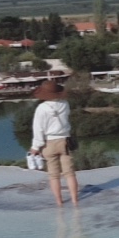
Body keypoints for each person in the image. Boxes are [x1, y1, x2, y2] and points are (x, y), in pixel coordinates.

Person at [30, 79, 79, 207]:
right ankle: (74, 200)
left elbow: (38, 129)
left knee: (53, 175)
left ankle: (59, 202)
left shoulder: (41, 108)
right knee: (69, 173)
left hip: (49, 143)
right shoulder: (65, 104)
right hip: (65, 141)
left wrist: (35, 147)